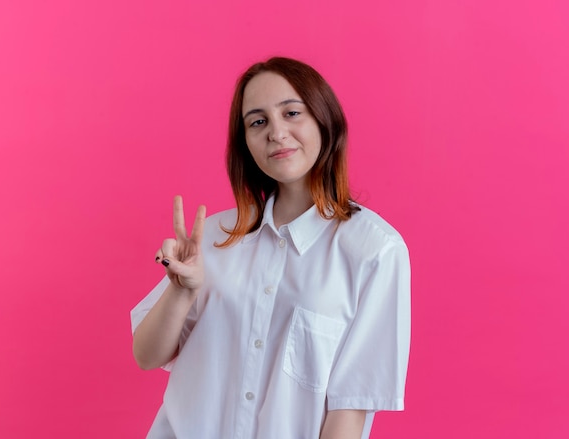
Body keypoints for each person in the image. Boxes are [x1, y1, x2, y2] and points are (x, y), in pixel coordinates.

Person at [131, 57, 411, 439]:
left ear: (324, 120)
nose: (277, 133)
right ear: (245, 142)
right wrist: (181, 291)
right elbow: (147, 356)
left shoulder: (375, 251)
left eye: (292, 113)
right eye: (258, 122)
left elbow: (350, 408)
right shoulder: (212, 237)